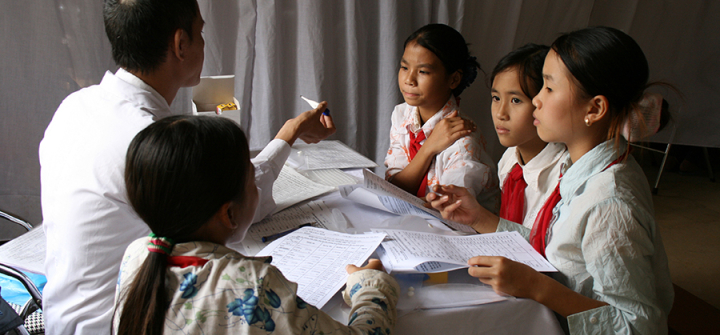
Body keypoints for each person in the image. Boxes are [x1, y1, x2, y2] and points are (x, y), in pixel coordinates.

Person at [38, 0, 335, 334]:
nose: (204, 42)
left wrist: (289, 134)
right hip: (120, 323)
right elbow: (242, 206)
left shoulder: (75, 107)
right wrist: (289, 133)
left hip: (62, 317)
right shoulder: (149, 139)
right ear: (181, 44)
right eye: (201, 32)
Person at [429, 27, 674, 334]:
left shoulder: (609, 203)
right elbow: (558, 248)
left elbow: (639, 327)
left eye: (548, 88)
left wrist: (538, 287)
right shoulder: (579, 165)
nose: (537, 102)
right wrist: (480, 217)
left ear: (594, 108)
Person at [113, 115, 398, 335]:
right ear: (229, 215)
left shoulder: (139, 254)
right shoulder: (255, 286)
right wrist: (370, 288)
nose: (258, 186)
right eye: (252, 179)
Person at [384, 23, 499, 212]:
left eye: (423, 71)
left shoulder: (463, 141)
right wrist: (428, 148)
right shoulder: (401, 114)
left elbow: (449, 210)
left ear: (453, 79)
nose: (409, 80)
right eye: (404, 67)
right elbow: (395, 185)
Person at [482, 43, 566, 229]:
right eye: (496, 98)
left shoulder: (563, 175)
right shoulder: (510, 158)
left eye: (516, 100)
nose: (500, 113)